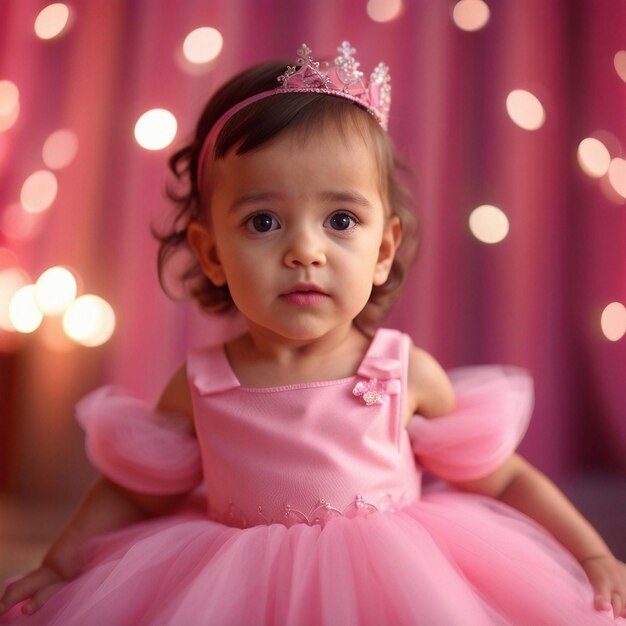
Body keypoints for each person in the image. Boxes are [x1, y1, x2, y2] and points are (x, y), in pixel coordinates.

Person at [0, 41, 624, 626]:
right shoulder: (203, 383)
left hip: (393, 583)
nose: (305, 250)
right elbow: (134, 493)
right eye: (264, 220)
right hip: (232, 589)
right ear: (211, 252)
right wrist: (59, 565)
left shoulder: (401, 371)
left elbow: (506, 477)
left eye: (341, 219)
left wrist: (591, 554)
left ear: (383, 250)